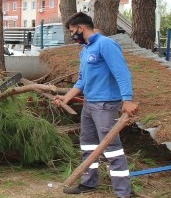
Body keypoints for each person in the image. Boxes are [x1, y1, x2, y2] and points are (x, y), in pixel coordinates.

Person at [53, 12, 139, 198]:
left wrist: (128, 99)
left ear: (80, 28)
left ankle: (123, 192)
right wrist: (65, 98)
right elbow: (81, 81)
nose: (71, 35)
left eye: (72, 31)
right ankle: (88, 183)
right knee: (88, 145)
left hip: (105, 105)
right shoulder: (84, 51)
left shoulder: (106, 45)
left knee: (111, 147)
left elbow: (122, 73)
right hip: (89, 104)